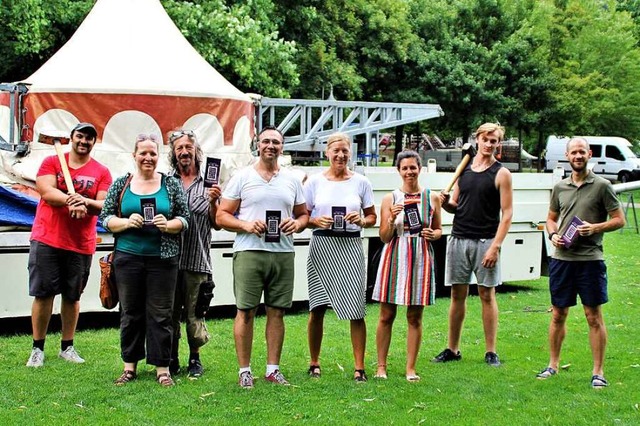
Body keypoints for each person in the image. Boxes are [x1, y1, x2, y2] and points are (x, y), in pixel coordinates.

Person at [216, 126, 309, 389]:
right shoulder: (241, 177)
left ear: (282, 147)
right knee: (245, 311)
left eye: (276, 142)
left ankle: (272, 369)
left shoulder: (291, 179)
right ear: (258, 144)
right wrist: (245, 225)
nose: (271, 146)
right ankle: (245, 370)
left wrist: (297, 224)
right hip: (249, 251)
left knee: (276, 312)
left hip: (282, 253)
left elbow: (303, 214)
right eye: (266, 141)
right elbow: (222, 215)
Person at [99, 134, 189, 387]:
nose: (148, 158)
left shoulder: (170, 184)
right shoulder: (122, 184)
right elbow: (105, 218)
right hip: (128, 258)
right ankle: (129, 367)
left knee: (161, 315)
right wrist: (127, 222)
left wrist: (169, 225)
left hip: (163, 259)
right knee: (130, 313)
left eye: (153, 153)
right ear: (134, 155)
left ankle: (163, 369)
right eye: (143, 153)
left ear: (158, 156)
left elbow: (185, 218)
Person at [536, 137, 624, 388]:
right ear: (567, 155)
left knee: (593, 315)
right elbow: (551, 219)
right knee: (558, 314)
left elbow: (619, 220)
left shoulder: (602, 186)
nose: (577, 156)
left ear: (589, 154)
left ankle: (598, 372)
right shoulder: (559, 187)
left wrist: (595, 227)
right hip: (562, 260)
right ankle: (552, 365)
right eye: (573, 152)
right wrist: (553, 235)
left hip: (590, 260)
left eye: (581, 152)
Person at [26, 122, 112, 368]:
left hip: (80, 243)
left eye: (89, 138)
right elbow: (46, 192)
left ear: (94, 143)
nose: (84, 141)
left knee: (73, 296)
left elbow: (103, 204)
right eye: (80, 136)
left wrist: (83, 200)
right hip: (47, 238)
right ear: (71, 138)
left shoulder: (102, 172)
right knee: (44, 294)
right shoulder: (52, 162)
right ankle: (37, 348)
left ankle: (67, 346)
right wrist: (71, 201)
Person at [432, 122, 513, 367]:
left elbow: (507, 213)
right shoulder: (464, 170)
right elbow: (456, 205)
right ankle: (452, 349)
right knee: (458, 294)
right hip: (458, 238)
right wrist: (444, 203)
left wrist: (495, 246)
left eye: (494, 141)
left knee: (486, 294)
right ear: (477, 139)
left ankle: (491, 352)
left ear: (498, 144)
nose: (489, 144)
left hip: (485, 240)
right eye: (486, 140)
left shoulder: (501, 173)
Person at [304, 132, 377, 382]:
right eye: (336, 150)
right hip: (322, 245)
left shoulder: (361, 182)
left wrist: (362, 221)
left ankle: (359, 367)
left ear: (350, 153)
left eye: (345, 151)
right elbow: (303, 217)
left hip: (350, 247)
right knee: (317, 307)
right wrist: (315, 220)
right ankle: (314, 362)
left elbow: (372, 217)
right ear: (327, 153)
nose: (340, 155)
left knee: (357, 309)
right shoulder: (314, 182)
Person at [372, 150, 442, 381]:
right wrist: (391, 219)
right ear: (399, 171)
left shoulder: (432, 198)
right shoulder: (389, 199)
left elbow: (439, 229)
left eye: (413, 167)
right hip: (395, 254)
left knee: (414, 316)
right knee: (386, 314)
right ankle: (381, 366)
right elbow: (383, 236)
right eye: (405, 168)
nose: (409, 172)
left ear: (419, 169)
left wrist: (435, 234)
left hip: (421, 255)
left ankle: (410, 368)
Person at [167, 129, 221, 378]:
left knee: (194, 314)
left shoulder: (209, 183)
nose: (184, 152)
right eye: (179, 148)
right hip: (169, 259)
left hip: (198, 259)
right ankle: (172, 358)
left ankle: (195, 359)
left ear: (196, 151)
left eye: (188, 147)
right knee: (169, 313)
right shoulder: (167, 182)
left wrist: (213, 202)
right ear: (174, 153)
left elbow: (217, 223)